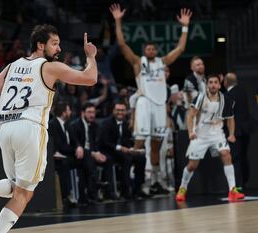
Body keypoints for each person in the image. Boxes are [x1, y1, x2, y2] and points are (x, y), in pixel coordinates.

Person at [0, 24, 97, 233]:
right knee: (24, 194)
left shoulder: (12, 66)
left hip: (6, 128)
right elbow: (90, 78)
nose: (59, 49)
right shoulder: (49, 67)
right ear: (40, 45)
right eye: (55, 44)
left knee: (16, 187)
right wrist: (91, 56)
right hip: (30, 128)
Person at [109, 4, 191, 193]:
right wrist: (118, 21)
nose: (152, 51)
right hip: (145, 103)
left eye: (154, 48)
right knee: (139, 143)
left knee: (156, 145)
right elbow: (122, 45)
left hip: (160, 106)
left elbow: (180, 48)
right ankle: (134, 180)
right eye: (149, 48)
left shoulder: (162, 62)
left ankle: (155, 181)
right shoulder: (138, 62)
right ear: (145, 50)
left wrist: (185, 27)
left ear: (156, 50)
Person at [175, 75, 244, 202]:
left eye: (215, 82)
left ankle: (232, 190)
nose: (213, 85)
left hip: (217, 133)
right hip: (200, 135)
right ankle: (182, 188)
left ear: (219, 85)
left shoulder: (225, 99)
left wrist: (232, 134)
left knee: (226, 154)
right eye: (210, 82)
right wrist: (191, 132)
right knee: (192, 165)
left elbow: (230, 119)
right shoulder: (200, 98)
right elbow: (190, 116)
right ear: (207, 85)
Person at [98, 101, 148, 199]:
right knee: (127, 158)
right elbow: (104, 141)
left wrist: (134, 148)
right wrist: (120, 148)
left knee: (141, 158)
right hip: (109, 150)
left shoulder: (126, 124)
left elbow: (127, 140)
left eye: (122, 110)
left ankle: (137, 189)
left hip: (122, 151)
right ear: (113, 111)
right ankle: (125, 190)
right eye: (118, 110)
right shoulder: (106, 123)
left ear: (125, 112)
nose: (120, 112)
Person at [223, 72, 251, 189]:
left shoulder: (227, 95)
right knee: (243, 156)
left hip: (234, 132)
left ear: (226, 82)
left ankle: (238, 185)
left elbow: (228, 115)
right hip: (246, 130)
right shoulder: (243, 92)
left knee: (235, 158)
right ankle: (244, 182)